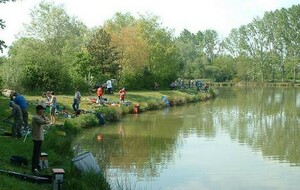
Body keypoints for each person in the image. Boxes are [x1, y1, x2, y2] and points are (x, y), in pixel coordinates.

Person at [31, 105, 50, 173]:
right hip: (37, 138)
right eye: (42, 110)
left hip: (40, 138)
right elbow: (45, 122)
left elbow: (48, 121)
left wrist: (44, 117)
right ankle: (34, 168)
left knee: (38, 153)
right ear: (38, 110)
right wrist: (44, 117)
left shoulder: (39, 117)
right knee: (36, 153)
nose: (43, 111)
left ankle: (38, 166)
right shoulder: (35, 117)